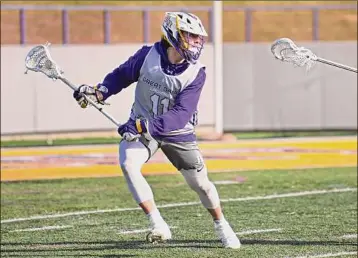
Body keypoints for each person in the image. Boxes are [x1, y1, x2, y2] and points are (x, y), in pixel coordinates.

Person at [73, 11, 241, 249]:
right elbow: (120, 76)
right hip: (142, 124)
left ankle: (222, 224)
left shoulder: (196, 72)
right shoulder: (146, 56)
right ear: (173, 33)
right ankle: (158, 223)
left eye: (198, 37)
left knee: (201, 184)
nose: (196, 41)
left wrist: (142, 125)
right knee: (128, 163)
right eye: (190, 35)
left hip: (176, 132)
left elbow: (181, 114)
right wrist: (100, 92)